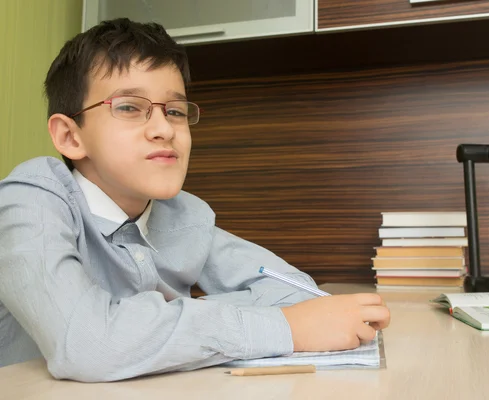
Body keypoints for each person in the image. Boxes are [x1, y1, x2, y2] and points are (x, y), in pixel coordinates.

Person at [0, 18, 390, 382]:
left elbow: (295, 291)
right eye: (129, 107)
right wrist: (285, 328)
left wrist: (171, 324)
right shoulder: (31, 201)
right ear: (70, 137)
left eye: (174, 110)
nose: (163, 128)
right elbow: (86, 344)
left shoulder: (181, 213)